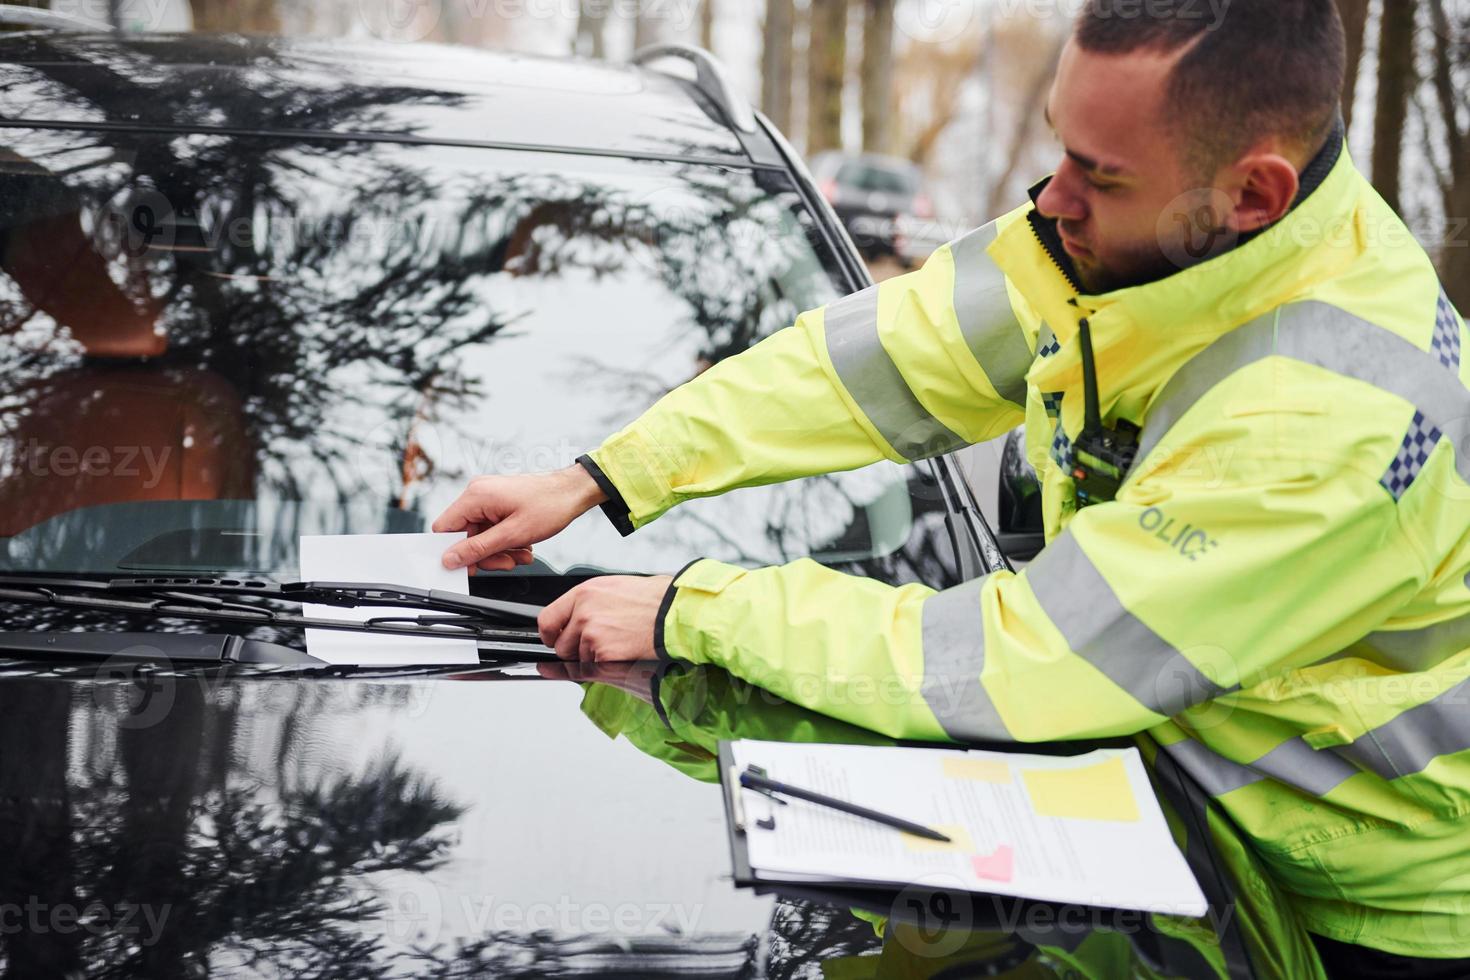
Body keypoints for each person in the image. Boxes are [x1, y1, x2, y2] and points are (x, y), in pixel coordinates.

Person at [435, 1, 1470, 972]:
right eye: (1060, 146)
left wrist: (688, 605)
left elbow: (1026, 659)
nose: (1049, 201)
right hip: (1194, 815)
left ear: (1252, 194)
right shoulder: (1156, 243)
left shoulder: (1325, 419)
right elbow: (880, 357)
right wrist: (603, 475)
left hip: (1372, 901)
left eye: (1097, 176)